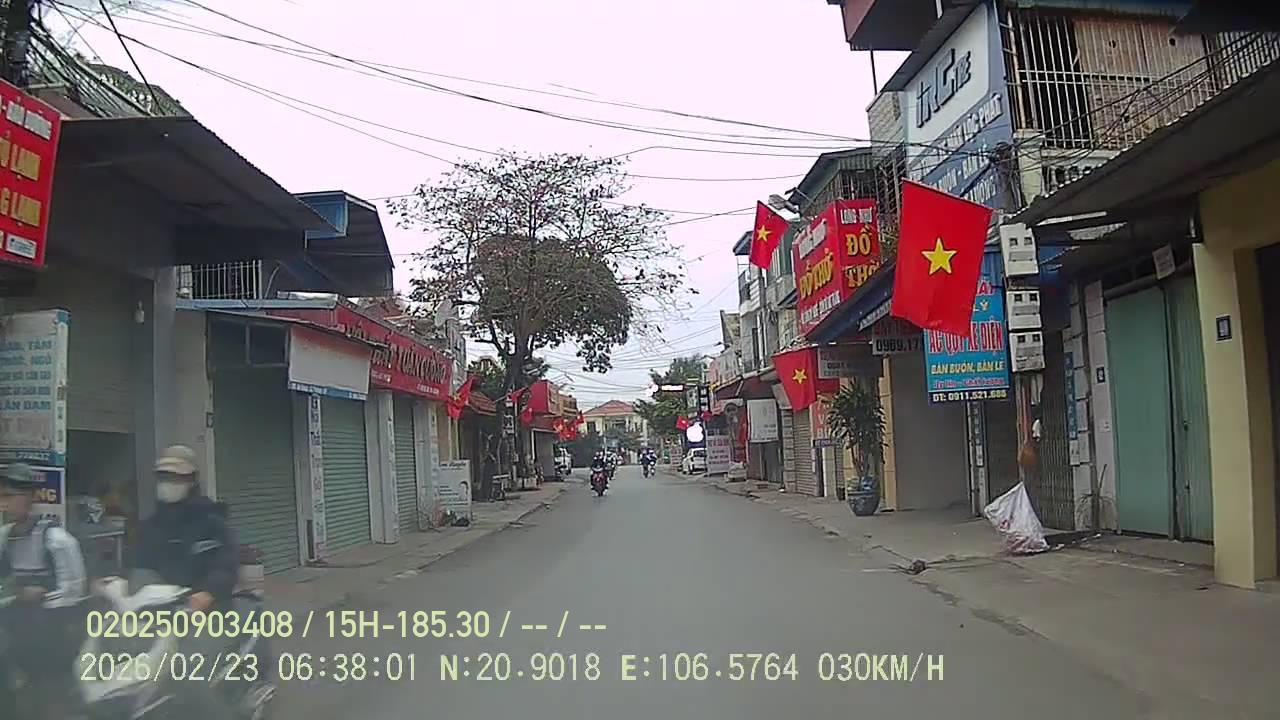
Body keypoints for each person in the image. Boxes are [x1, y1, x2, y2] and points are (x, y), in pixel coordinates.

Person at [135, 446, 272, 718]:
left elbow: (227, 563)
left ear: (192, 480)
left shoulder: (211, 522)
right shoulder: (150, 526)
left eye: (176, 477)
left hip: (210, 612)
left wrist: (208, 592)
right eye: (164, 477)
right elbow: (137, 565)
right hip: (159, 614)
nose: (169, 483)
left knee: (189, 674)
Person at [0, 462, 88, 719]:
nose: (3, 504)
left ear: (30, 497)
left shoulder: (56, 539)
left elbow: (74, 590)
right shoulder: (4, 538)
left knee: (52, 703)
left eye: (9, 496)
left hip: (52, 638)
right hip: (17, 637)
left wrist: (40, 596)